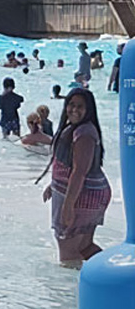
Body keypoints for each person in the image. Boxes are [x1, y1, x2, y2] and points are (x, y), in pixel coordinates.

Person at [40, 88, 111, 269]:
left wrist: (68, 205)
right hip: (86, 192)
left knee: (69, 253)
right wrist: (53, 185)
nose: (74, 110)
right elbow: (68, 165)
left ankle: (70, 289)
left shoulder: (84, 133)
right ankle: (115, 274)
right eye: (71, 105)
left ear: (89, 110)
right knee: (84, 247)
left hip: (82, 196)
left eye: (80, 106)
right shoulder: (75, 128)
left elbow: (80, 171)